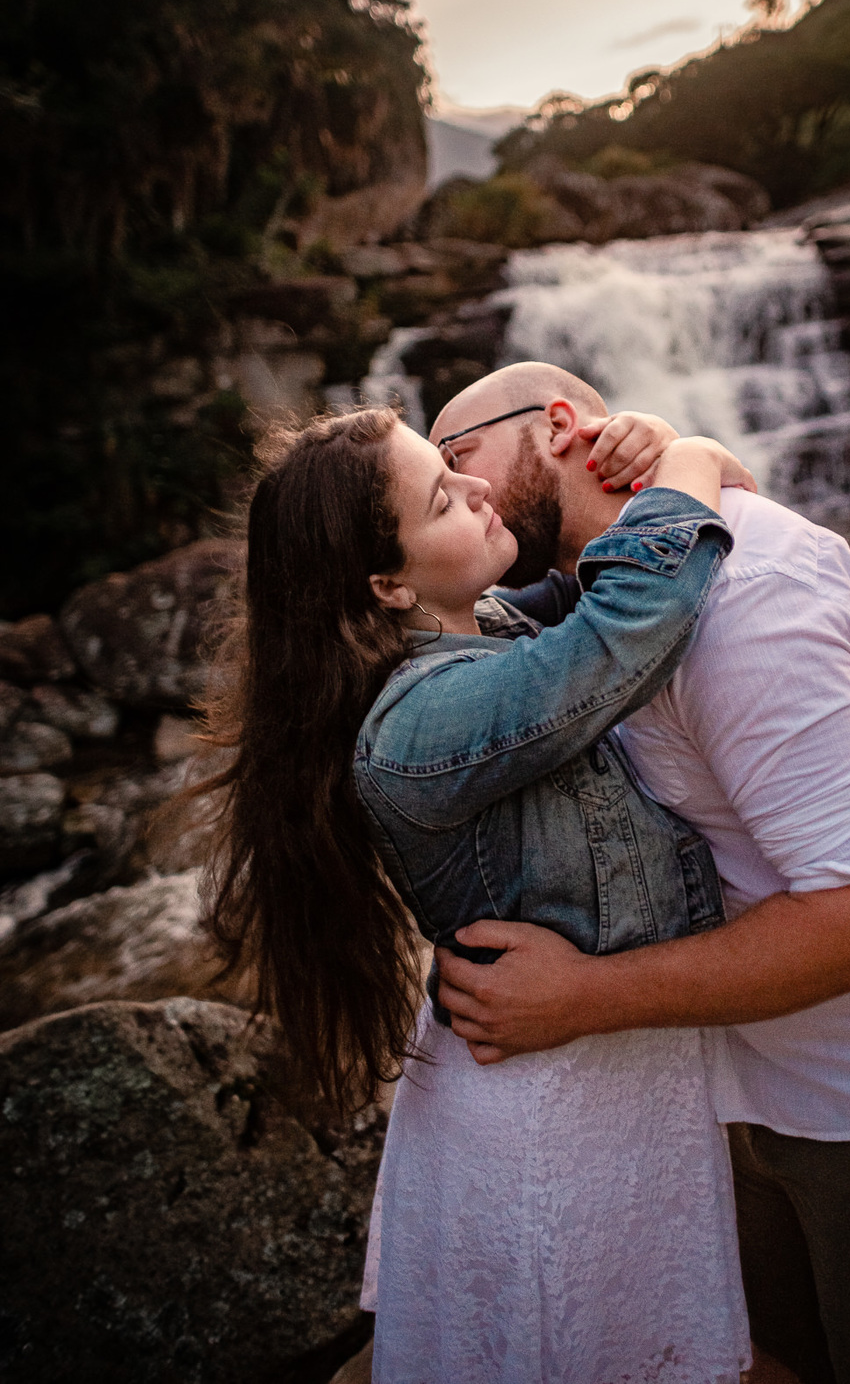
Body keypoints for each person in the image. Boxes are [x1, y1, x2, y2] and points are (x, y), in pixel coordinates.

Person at [430, 362, 850, 1384]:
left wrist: (580, 1000)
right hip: (777, 1078)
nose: (458, 494)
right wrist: (691, 452)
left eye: (457, 459)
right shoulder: (600, 606)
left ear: (561, 425)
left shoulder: (746, 600)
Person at [202, 404, 788, 1384]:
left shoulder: (490, 622)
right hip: (548, 1107)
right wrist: (691, 457)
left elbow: (603, 576)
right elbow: (626, 627)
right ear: (389, 583)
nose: (477, 487)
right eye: (442, 495)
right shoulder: (418, 722)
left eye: (452, 466)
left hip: (604, 1062)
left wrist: (651, 447)